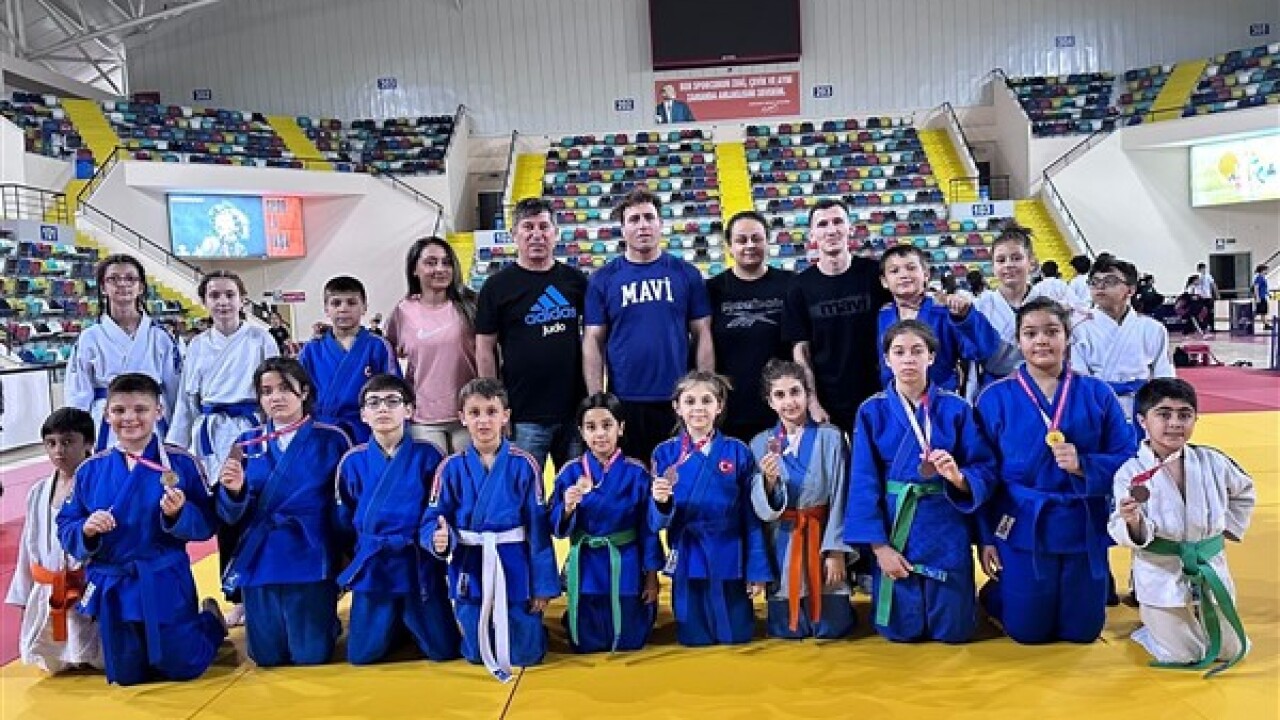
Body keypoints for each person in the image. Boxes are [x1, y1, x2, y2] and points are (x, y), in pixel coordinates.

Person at [974, 298, 1136, 644]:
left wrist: (1084, 465)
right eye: (1030, 333)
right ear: (1018, 341)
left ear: (1067, 337)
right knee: (1027, 632)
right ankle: (998, 593)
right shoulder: (994, 397)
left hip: (1081, 522)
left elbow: (1127, 458)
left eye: (1051, 331)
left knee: (1083, 632)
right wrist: (985, 537)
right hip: (1021, 522)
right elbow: (983, 473)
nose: (1041, 341)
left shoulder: (1098, 393)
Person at [55, 373, 227, 686]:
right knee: (126, 677)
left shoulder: (181, 463)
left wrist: (179, 515)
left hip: (164, 579)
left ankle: (211, 622)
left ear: (158, 411)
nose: (129, 418)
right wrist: (86, 529)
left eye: (140, 409)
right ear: (106, 414)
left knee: (183, 667)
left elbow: (207, 523)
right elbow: (66, 524)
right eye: (119, 410)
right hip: (115, 585)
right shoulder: (90, 470)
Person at [844, 321, 995, 643]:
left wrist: (959, 478)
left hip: (946, 525)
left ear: (931, 357)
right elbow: (862, 482)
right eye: (899, 352)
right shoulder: (871, 411)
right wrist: (879, 548)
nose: (908, 359)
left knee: (955, 631)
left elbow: (984, 468)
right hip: (896, 525)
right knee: (900, 631)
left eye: (917, 351)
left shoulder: (956, 408)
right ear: (887, 359)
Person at [1108, 378, 1255, 675]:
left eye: (1184, 415)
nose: (1175, 423)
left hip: (1208, 564)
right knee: (1183, 654)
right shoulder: (1130, 472)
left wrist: (1225, 528)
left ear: (1195, 419)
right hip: (1161, 571)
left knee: (1230, 649)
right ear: (1143, 421)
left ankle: (1187, 618)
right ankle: (1150, 626)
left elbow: (1245, 491)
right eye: (1164, 414)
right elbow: (1118, 525)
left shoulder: (1213, 461)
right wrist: (1133, 521)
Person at [215, 358, 351, 666]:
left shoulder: (332, 438)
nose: (275, 397)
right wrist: (233, 492)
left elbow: (345, 503)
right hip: (259, 553)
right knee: (266, 657)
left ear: (304, 392)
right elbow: (228, 514)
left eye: (284, 389)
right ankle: (215, 621)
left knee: (310, 656)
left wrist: (344, 557)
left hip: (310, 551)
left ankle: (327, 621)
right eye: (266, 392)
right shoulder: (246, 443)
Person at [427, 377, 559, 681]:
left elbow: (538, 528)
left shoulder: (525, 464)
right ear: (462, 418)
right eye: (474, 413)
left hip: (514, 562)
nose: (483, 421)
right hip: (470, 561)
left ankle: (534, 631)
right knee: (476, 653)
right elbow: (434, 516)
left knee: (527, 654)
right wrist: (438, 537)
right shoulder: (450, 467)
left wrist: (542, 585)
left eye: (491, 411)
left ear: (505, 416)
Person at [166, 270, 279, 627]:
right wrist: (175, 449)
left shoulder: (261, 338)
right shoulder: (197, 345)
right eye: (214, 295)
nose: (223, 301)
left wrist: (276, 435)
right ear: (204, 301)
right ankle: (235, 594)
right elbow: (186, 402)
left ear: (242, 299)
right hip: (212, 435)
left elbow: (278, 389)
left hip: (252, 431)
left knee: (257, 511)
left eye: (230, 294)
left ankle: (265, 588)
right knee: (225, 516)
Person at [335, 374, 461, 665]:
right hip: (375, 564)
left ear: (409, 410)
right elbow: (343, 520)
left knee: (444, 651)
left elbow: (439, 510)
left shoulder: (429, 456)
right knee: (362, 656)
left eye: (392, 401)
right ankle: (395, 626)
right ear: (363, 414)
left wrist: (438, 540)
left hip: (416, 562)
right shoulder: (352, 461)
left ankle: (405, 624)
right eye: (374, 403)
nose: (383, 408)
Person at [583, 189, 714, 461]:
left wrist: (705, 389)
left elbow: (702, 333)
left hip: (678, 401)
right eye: (634, 219)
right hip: (625, 401)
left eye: (648, 217)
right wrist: (597, 399)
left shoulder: (686, 274)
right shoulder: (603, 279)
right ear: (622, 229)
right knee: (633, 478)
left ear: (660, 224)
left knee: (678, 477)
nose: (642, 225)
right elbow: (593, 340)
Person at [650, 371, 772, 646]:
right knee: (693, 638)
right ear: (677, 407)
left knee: (737, 635)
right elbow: (655, 522)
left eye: (706, 400)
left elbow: (750, 517)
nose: (698, 408)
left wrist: (756, 570)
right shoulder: (664, 454)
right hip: (688, 550)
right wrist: (660, 502)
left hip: (729, 551)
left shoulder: (738, 451)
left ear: (720, 406)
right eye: (690, 401)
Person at [476, 198, 589, 472]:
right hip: (523, 414)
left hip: (573, 411)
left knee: (577, 489)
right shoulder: (496, 287)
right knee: (522, 489)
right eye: (528, 227)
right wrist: (494, 406)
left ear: (555, 233)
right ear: (514, 234)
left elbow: (594, 339)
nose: (536, 234)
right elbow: (484, 349)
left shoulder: (576, 281)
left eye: (543, 227)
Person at [748, 360, 854, 639]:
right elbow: (758, 510)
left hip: (821, 536)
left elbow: (842, 496)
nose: (789, 402)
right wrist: (768, 483)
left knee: (832, 628)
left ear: (808, 394)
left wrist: (836, 551)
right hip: (782, 540)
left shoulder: (832, 438)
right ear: (770, 402)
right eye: (780, 395)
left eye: (795, 392)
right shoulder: (759, 444)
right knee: (787, 630)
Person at [548, 392, 662, 653]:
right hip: (587, 562)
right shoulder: (570, 472)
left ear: (620, 428)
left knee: (631, 641)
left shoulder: (637, 473)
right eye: (591, 427)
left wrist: (651, 576)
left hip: (626, 561)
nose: (600, 434)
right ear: (581, 432)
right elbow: (556, 527)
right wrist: (567, 509)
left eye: (607, 425)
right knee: (586, 643)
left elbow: (648, 529)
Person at [5, 408, 104, 673]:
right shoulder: (38, 492)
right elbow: (27, 548)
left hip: (87, 588)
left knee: (100, 657)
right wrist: (23, 596)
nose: (59, 450)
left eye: (68, 442)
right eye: (51, 443)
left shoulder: (102, 486)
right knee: (52, 658)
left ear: (88, 443)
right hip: (49, 589)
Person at [782, 199, 892, 433]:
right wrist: (812, 402)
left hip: (881, 393)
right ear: (812, 234)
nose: (831, 230)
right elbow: (801, 351)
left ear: (850, 228)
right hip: (829, 402)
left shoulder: (875, 274)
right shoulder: (799, 286)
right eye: (822, 224)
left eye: (838, 221)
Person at [65, 254, 182, 452]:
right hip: (107, 421)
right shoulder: (89, 338)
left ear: (141, 287)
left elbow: (175, 392)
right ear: (103, 287)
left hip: (150, 419)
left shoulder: (161, 336)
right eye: (113, 279)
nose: (122, 284)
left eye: (130, 278)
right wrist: (78, 439)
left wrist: (177, 435)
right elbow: (78, 395)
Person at [706, 210, 794, 443]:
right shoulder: (712, 290)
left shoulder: (791, 284)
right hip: (731, 410)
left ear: (767, 240)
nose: (749, 245)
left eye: (756, 238)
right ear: (729, 246)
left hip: (782, 408)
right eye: (741, 240)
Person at [386, 237, 477, 454]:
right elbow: (382, 350)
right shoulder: (403, 311)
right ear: (414, 269)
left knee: (467, 474)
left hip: (469, 414)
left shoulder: (471, 305)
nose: (440, 269)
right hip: (424, 419)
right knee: (432, 475)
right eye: (431, 262)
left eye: (446, 262)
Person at [876, 244, 1000, 393]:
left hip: (940, 399)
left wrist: (966, 317)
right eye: (894, 271)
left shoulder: (946, 311)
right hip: (894, 400)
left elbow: (983, 349)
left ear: (926, 274)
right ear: (884, 281)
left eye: (911, 268)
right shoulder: (882, 315)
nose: (904, 275)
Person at [1070, 256, 1175, 423]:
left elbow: (1164, 376)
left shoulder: (1153, 329)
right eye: (1094, 282)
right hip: (1096, 406)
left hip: (1142, 409)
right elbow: (1077, 378)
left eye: (1110, 281)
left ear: (1131, 290)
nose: (1100, 287)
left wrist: (1161, 409)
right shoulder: (1078, 329)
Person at [299, 275, 401, 445]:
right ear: (326, 309)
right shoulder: (311, 349)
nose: (343, 309)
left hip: (366, 431)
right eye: (336, 303)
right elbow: (298, 392)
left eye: (351, 303)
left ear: (364, 307)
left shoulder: (378, 346)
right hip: (319, 430)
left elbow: (394, 391)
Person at [970, 226, 1046, 392]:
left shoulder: (1047, 304)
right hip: (995, 386)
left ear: (1031, 262)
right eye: (1001, 260)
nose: (1009, 265)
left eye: (1016, 258)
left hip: (1041, 384)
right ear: (992, 267)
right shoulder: (981, 305)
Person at [1190, 262, 1219, 333]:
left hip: (1207, 297)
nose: (1203, 270)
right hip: (1199, 297)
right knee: (1201, 312)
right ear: (1198, 269)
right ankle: (1202, 327)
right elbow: (1193, 286)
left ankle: (1212, 327)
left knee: (1210, 312)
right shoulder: (1196, 277)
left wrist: (1217, 294)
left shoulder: (1208, 276)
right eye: (1202, 269)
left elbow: (1213, 285)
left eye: (1204, 268)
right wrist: (1192, 295)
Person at [1253, 264, 1271, 331]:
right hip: (1260, 297)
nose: (1267, 271)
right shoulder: (1259, 278)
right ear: (1262, 270)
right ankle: (1266, 324)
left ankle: (1266, 324)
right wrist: (1257, 297)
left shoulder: (1263, 278)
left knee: (1263, 311)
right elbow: (1256, 288)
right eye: (1266, 270)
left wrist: (1268, 294)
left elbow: (1264, 288)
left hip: (1263, 296)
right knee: (1261, 311)